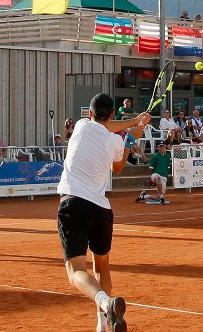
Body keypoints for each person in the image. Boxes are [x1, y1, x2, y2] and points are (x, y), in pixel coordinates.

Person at [59, 94, 149, 331]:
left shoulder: (81, 125)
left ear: (89, 114)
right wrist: (131, 136)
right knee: (102, 267)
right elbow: (117, 167)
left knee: (76, 271)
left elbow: (106, 126)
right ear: (111, 114)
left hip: (74, 203)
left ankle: (106, 303)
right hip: (101, 210)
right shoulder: (115, 141)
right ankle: (104, 325)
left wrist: (132, 125)